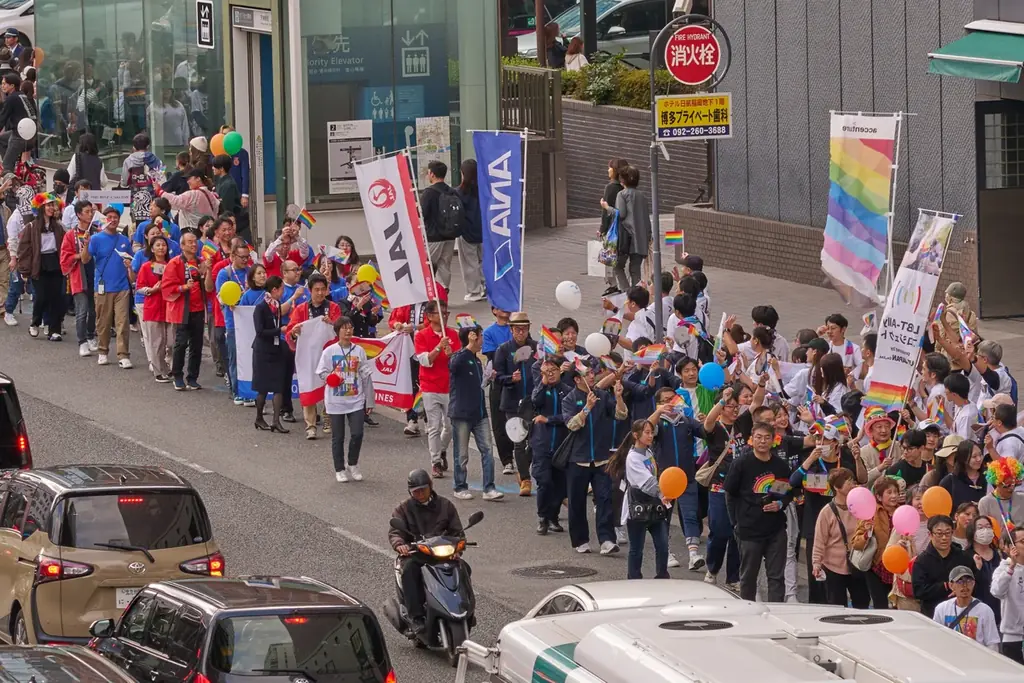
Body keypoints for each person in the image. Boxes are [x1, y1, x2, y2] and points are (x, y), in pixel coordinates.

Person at [388, 469, 466, 634]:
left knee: (464, 568)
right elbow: (395, 532)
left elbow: (457, 532)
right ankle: (415, 617)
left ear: (431, 486)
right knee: (409, 571)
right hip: (417, 553)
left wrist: (458, 547)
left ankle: (464, 606)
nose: (420, 493)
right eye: (415, 491)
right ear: (410, 492)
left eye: (423, 489)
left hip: (442, 552)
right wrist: (400, 544)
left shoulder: (446, 506)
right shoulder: (403, 509)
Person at [723, 421, 794, 602]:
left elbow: (786, 493)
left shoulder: (780, 465)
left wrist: (780, 504)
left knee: (776, 577)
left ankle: (777, 614)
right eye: (758, 437)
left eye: (767, 438)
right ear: (751, 440)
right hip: (748, 529)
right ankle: (747, 611)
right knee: (748, 577)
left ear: (773, 440)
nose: (762, 441)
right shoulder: (741, 463)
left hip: (776, 529)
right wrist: (735, 522)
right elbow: (730, 493)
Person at [562, 363, 628, 555]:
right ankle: (580, 540)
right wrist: (587, 408)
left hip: (601, 458)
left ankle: (607, 539)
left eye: (592, 373)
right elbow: (572, 425)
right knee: (577, 501)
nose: (592, 376)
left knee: (605, 499)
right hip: (578, 459)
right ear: (577, 379)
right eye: (587, 374)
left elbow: (621, 415)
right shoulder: (569, 399)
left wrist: (618, 397)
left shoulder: (603, 395)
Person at [647, 387, 707, 570]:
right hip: (665, 479)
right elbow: (647, 428)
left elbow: (707, 432)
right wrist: (658, 412)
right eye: (665, 401)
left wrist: (707, 421)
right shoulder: (657, 425)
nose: (670, 404)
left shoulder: (686, 421)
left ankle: (693, 554)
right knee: (663, 516)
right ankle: (666, 552)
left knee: (690, 515)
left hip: (687, 476)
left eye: (672, 399)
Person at [606, 419, 671, 579]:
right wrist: (663, 493)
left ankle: (662, 575)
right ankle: (634, 578)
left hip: (655, 505)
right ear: (636, 435)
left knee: (662, 545)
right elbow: (648, 483)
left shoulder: (649, 452)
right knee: (637, 548)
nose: (650, 436)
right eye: (647, 433)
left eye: (651, 432)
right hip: (638, 505)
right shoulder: (633, 458)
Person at [448, 323, 503, 501]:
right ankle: (460, 486)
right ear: (472, 337)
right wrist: (466, 347)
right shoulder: (461, 357)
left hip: (480, 413)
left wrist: (488, 378)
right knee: (461, 453)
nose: (482, 341)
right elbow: (453, 365)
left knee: (487, 449)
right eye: (480, 336)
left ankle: (489, 487)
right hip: (462, 414)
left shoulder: (478, 360)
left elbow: (479, 385)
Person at [316, 316, 374, 482]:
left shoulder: (359, 351)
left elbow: (366, 375)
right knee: (338, 437)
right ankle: (339, 468)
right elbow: (321, 371)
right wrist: (331, 378)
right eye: (344, 328)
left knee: (357, 433)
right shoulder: (330, 351)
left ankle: (353, 463)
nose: (348, 331)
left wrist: (369, 400)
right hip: (335, 401)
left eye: (350, 328)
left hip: (355, 400)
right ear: (338, 331)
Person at [285, 272, 341, 438]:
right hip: (308, 355)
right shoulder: (301, 309)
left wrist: (331, 324)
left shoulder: (333, 308)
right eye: (316, 289)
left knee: (330, 385)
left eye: (323, 289)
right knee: (308, 385)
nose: (320, 293)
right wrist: (295, 333)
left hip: (328, 354)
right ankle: (310, 425)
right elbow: (290, 331)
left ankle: (328, 416)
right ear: (309, 290)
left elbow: (340, 329)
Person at [414, 300, 461, 478]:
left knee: (449, 426)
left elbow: (458, 359)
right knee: (434, 426)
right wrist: (438, 347)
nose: (445, 317)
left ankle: (441, 451)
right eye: (440, 313)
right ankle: (435, 462)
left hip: (449, 386)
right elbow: (425, 361)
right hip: (430, 386)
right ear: (430, 316)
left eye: (446, 313)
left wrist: (452, 355)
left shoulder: (453, 335)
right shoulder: (421, 335)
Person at [812, 467, 870, 608]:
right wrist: (816, 563)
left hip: (857, 563)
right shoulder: (827, 512)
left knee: (862, 603)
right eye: (848, 482)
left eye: (852, 481)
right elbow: (820, 540)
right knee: (837, 606)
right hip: (833, 566)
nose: (852, 485)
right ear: (837, 487)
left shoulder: (859, 507)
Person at [494, 312, 537, 492]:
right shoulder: (503, 350)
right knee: (519, 440)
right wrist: (510, 378)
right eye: (518, 329)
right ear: (511, 330)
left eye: (525, 328)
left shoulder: (536, 347)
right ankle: (526, 479)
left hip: (533, 400)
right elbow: (497, 377)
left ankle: (522, 468)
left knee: (535, 439)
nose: (521, 332)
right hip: (513, 402)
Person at [88, 203, 134, 368]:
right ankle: (103, 351)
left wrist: (130, 265)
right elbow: (86, 259)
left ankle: (123, 354)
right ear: (105, 220)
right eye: (110, 218)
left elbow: (131, 261)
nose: (113, 220)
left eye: (116, 218)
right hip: (102, 287)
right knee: (104, 321)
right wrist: (86, 244)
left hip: (122, 286)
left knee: (122, 321)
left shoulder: (124, 240)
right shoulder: (96, 238)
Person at [161, 232, 208, 390]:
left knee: (197, 344)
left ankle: (193, 377)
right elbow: (166, 287)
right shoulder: (175, 263)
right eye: (189, 242)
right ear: (182, 245)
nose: (193, 245)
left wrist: (205, 273)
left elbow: (207, 287)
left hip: (199, 308)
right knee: (180, 344)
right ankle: (177, 375)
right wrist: (183, 287)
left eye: (195, 242)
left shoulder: (201, 262)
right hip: (182, 309)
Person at [17, 193, 65, 341]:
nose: (52, 208)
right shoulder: (31, 227)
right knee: (41, 296)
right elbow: (23, 250)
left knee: (56, 297)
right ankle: (35, 322)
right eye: (49, 205)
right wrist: (24, 270)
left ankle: (54, 329)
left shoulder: (58, 226)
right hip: (39, 263)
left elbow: (64, 246)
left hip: (55, 263)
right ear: (41, 207)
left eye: (53, 205)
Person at [913, 514, 980, 618]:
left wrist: (962, 588)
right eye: (939, 534)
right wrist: (945, 586)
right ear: (930, 534)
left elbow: (976, 581)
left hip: (963, 613)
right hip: (933, 614)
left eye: (948, 533)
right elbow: (919, 591)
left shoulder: (963, 557)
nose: (944, 538)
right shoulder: (922, 561)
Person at [531, 356, 569, 534]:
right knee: (544, 482)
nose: (551, 374)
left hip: (562, 445)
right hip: (542, 444)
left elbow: (568, 416)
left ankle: (554, 516)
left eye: (553, 370)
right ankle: (542, 517)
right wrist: (543, 383)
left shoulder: (567, 391)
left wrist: (549, 420)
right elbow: (535, 402)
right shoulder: (541, 389)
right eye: (547, 371)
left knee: (560, 484)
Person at [851, 476, 901, 608]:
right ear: (879, 497)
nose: (894, 496)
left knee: (898, 606)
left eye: (896, 492)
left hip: (898, 568)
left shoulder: (903, 512)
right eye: (889, 492)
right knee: (881, 606)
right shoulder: (871, 513)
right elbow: (856, 543)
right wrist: (866, 534)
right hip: (876, 567)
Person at [60, 200, 100, 356]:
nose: (90, 214)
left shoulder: (96, 232)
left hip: (95, 273)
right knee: (82, 310)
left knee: (94, 309)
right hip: (79, 273)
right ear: (78, 214)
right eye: (87, 211)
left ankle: (91, 336)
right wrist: (80, 255)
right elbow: (64, 257)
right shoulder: (71, 235)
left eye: (91, 211)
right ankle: (82, 341)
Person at [251, 275, 290, 433]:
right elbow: (260, 331)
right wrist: (278, 330)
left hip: (276, 349)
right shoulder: (261, 308)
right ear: (274, 290)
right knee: (263, 388)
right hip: (262, 351)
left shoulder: (277, 305)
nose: (282, 292)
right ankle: (259, 417)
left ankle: (276, 421)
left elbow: (278, 324)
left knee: (278, 386)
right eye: (281, 289)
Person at [932, 565, 1000, 651]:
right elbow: (936, 638)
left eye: (968, 581)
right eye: (960, 582)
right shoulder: (941, 609)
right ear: (951, 585)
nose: (965, 586)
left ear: (973, 583)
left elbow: (992, 643)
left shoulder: (985, 610)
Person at [482, 307, 515, 472]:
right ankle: (507, 459)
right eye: (501, 306)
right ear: (494, 310)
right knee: (499, 421)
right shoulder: (489, 332)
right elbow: (493, 356)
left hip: (518, 379)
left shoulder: (517, 327)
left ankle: (523, 455)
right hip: (500, 381)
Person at [136, 234, 172, 382]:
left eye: (163, 245)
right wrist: (151, 290)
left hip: (170, 307)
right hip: (153, 306)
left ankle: (168, 367)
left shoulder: (172, 265)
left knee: (170, 341)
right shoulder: (146, 267)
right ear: (152, 248)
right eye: (158, 245)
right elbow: (139, 288)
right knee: (156, 342)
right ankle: (158, 371)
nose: (161, 248)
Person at [419, 161, 459, 290]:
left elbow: (422, 213)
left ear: (432, 174)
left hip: (433, 236)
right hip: (450, 235)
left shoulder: (429, 193)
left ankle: (429, 291)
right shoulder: (452, 191)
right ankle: (443, 290)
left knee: (428, 265)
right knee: (444, 264)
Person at [989, 527, 1024, 664]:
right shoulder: (1003, 568)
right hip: (1013, 636)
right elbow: (996, 591)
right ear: (1011, 547)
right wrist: (1011, 568)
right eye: (1023, 541)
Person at [613, 166, 650, 292]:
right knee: (635, 270)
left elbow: (621, 214)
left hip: (625, 239)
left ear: (622, 180)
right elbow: (647, 219)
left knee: (618, 266)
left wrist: (607, 207)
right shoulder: (643, 197)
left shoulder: (621, 195)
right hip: (640, 239)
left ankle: (626, 292)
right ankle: (637, 296)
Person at [453, 160, 486, 303]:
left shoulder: (458, 192)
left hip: (466, 232)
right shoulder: (485, 190)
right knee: (484, 261)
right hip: (484, 231)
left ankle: (474, 292)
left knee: (469, 263)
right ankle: (486, 288)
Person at [120, 133, 163, 228]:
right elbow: (160, 180)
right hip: (153, 200)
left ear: (134, 147)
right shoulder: (156, 160)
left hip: (135, 200)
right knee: (154, 226)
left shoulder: (128, 161)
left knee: (138, 227)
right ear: (148, 146)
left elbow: (124, 182)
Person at [599, 159, 628, 296]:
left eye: (610, 168)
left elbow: (606, 212)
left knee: (610, 257)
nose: (608, 170)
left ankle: (615, 285)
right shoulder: (626, 188)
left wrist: (602, 229)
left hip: (613, 229)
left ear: (615, 171)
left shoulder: (610, 188)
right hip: (626, 229)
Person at [156, 170, 220, 232]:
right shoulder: (210, 194)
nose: (187, 181)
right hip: (209, 229)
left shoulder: (194, 194)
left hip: (192, 230)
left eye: (189, 179)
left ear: (198, 178)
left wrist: (160, 191)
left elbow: (176, 201)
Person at [979, 458, 1024, 544]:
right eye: (1007, 485)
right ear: (996, 483)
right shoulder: (985, 503)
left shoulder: (1022, 499)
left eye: (1014, 484)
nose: (1011, 488)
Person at [968, 515, 1002, 626]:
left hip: (1000, 613)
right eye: (980, 527)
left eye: (988, 526)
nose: (985, 531)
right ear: (972, 532)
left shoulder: (1001, 555)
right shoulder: (965, 556)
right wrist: (977, 569)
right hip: (975, 614)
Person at [0, 72, 35, 172]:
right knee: (2, 139)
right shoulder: (22, 96)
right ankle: (12, 160)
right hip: (31, 134)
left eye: (4, 84)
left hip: (19, 135)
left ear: (12, 86)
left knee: (6, 164)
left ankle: (9, 179)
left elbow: (2, 118)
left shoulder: (11, 98)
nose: (2, 86)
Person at [940, 439, 987, 509]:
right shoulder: (949, 481)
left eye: (980, 455)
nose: (979, 459)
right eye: (974, 456)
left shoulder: (988, 478)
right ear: (963, 459)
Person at [211, 154, 241, 219]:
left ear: (221, 168)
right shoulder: (221, 180)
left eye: (215, 166)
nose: (212, 168)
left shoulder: (228, 185)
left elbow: (226, 207)